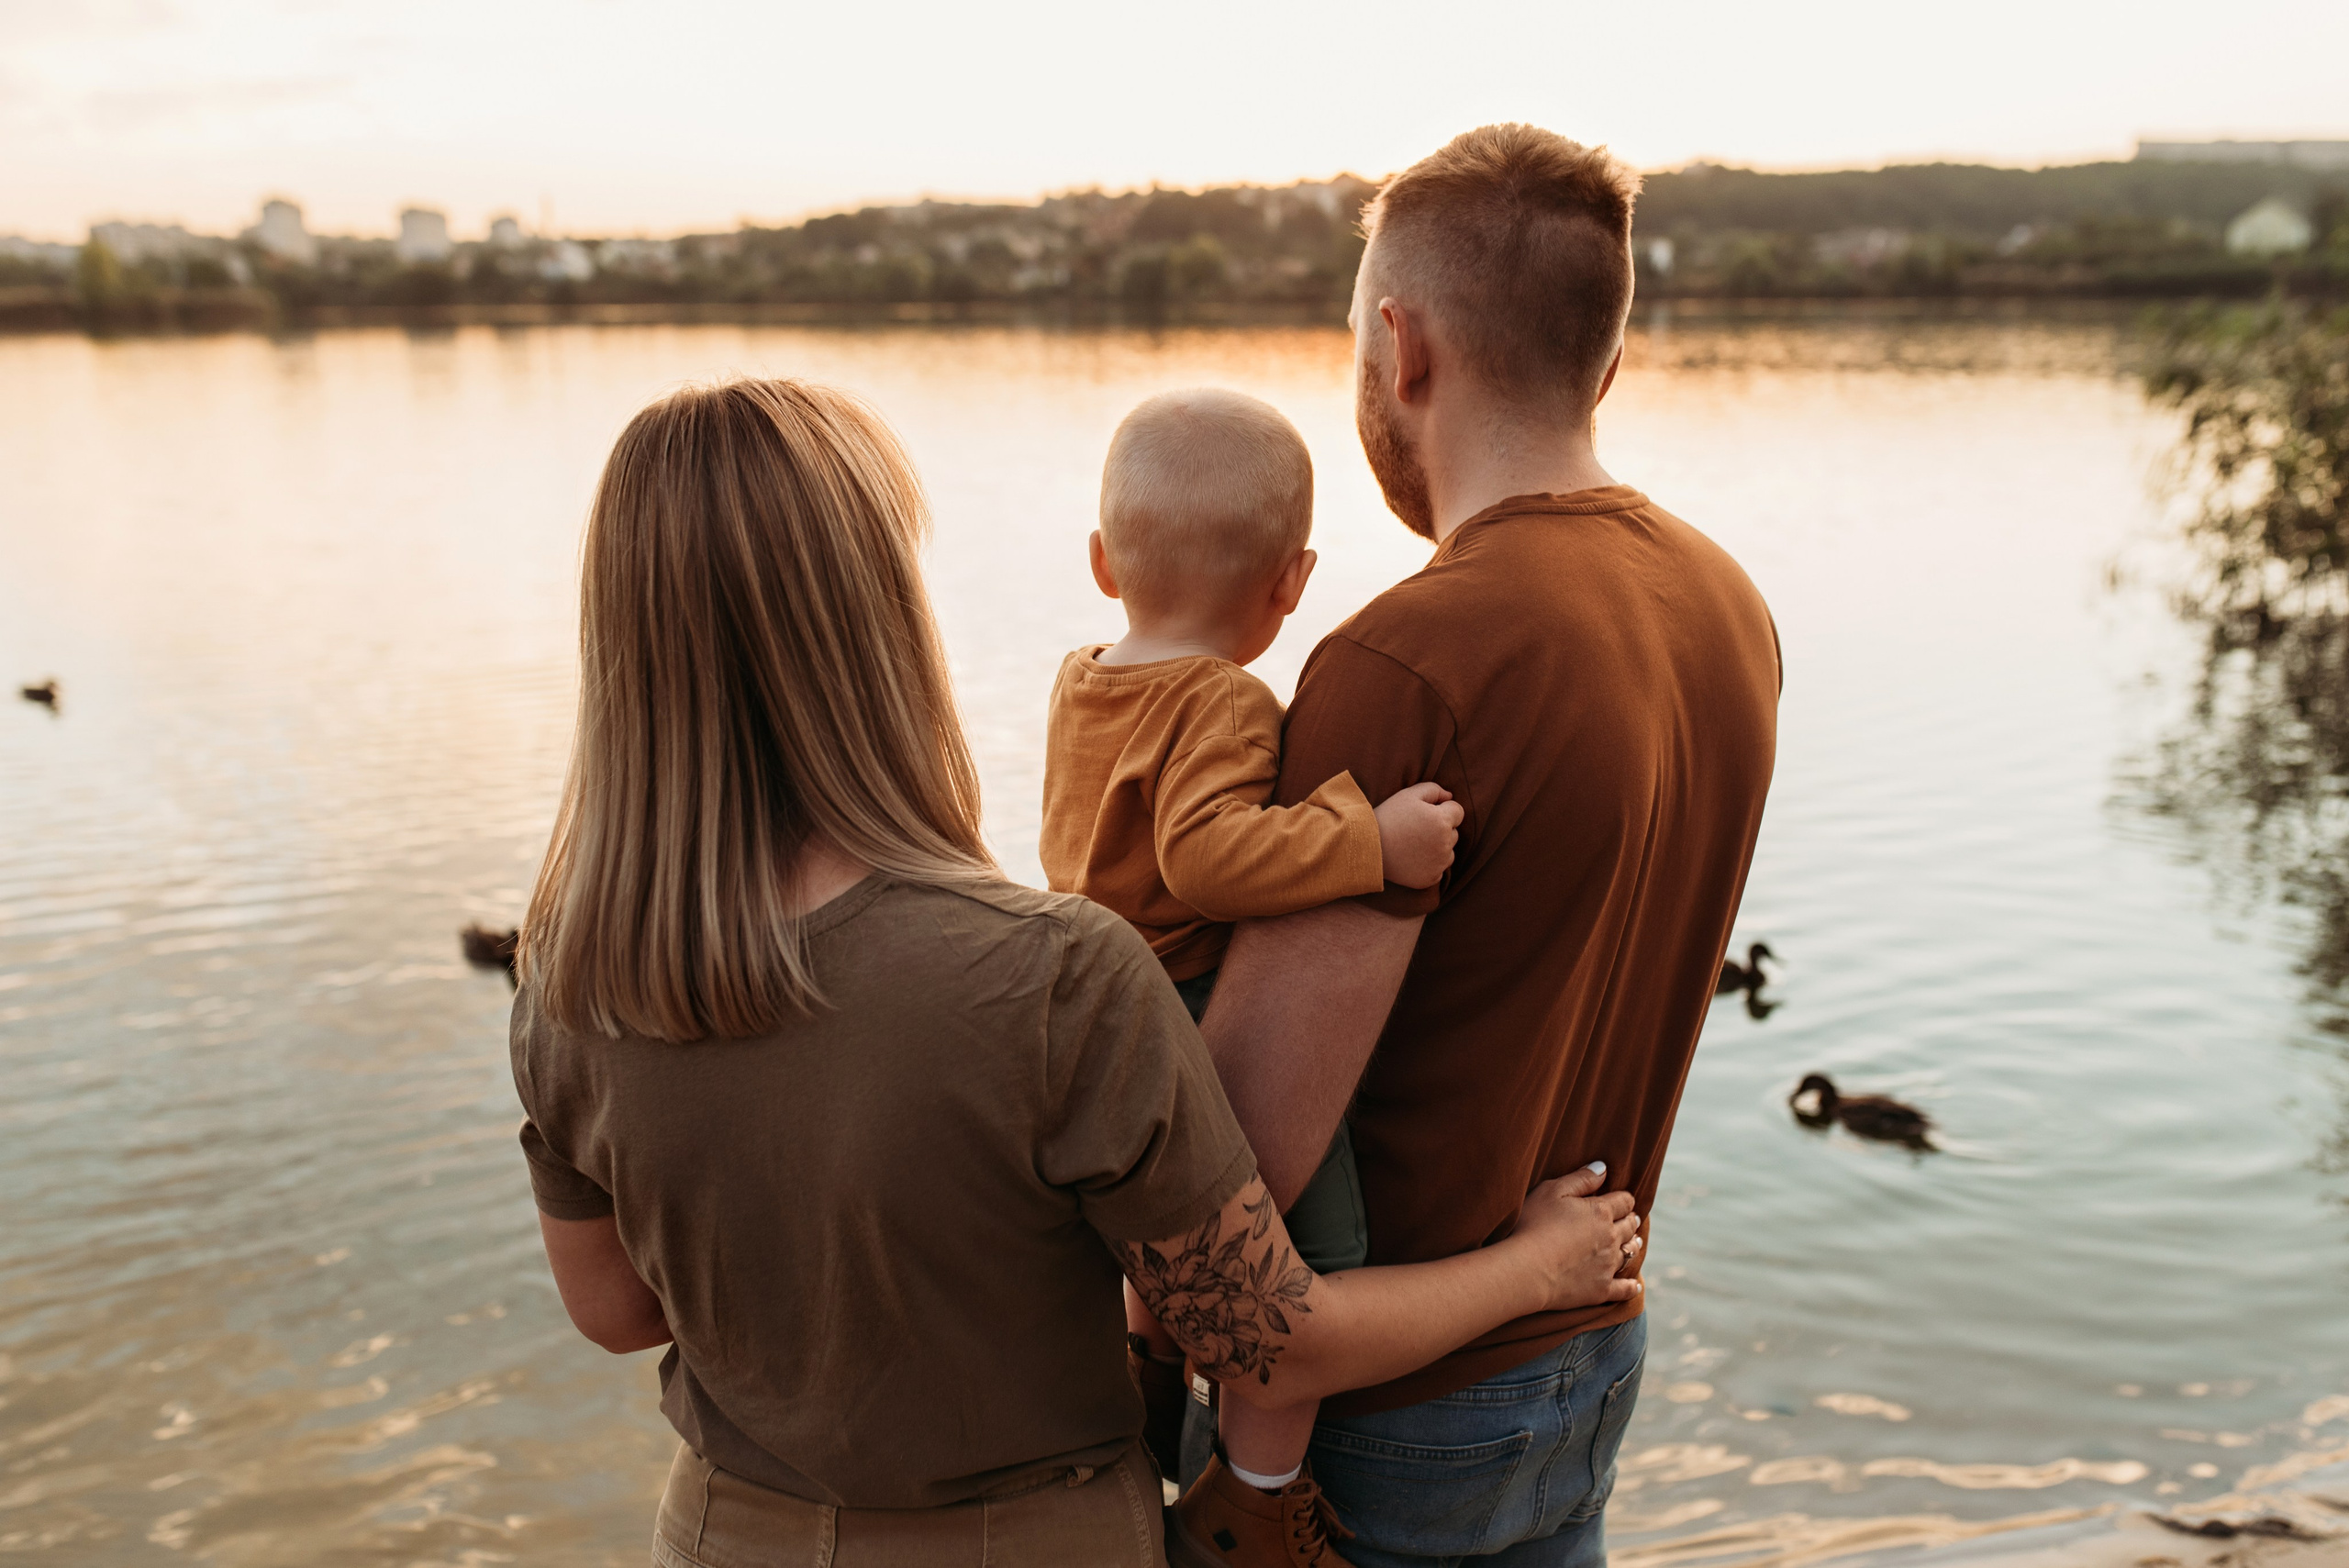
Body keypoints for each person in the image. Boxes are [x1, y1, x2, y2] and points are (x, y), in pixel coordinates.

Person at [507, 376, 1649, 1567]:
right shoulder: (1053, 979)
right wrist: (1535, 1268)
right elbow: (1267, 1341)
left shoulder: (568, 987)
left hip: (719, 1534)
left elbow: (618, 1311)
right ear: (881, 613)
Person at [1193, 126, 1783, 1567]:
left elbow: (1240, 1160)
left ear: (1400, 348)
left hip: (1394, 1407)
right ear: (1608, 355)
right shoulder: (1727, 604)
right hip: (1587, 1359)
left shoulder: (1410, 659)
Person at [1040, 387, 1485, 1559]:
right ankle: (1255, 1496)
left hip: (1087, 1002)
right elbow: (1207, 857)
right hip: (1185, 1006)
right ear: (1293, 582)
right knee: (1300, 1270)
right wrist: (1368, 838)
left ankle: (1141, 1387)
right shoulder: (1223, 697)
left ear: (1101, 561)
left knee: (1157, 1222)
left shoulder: (1084, 676)